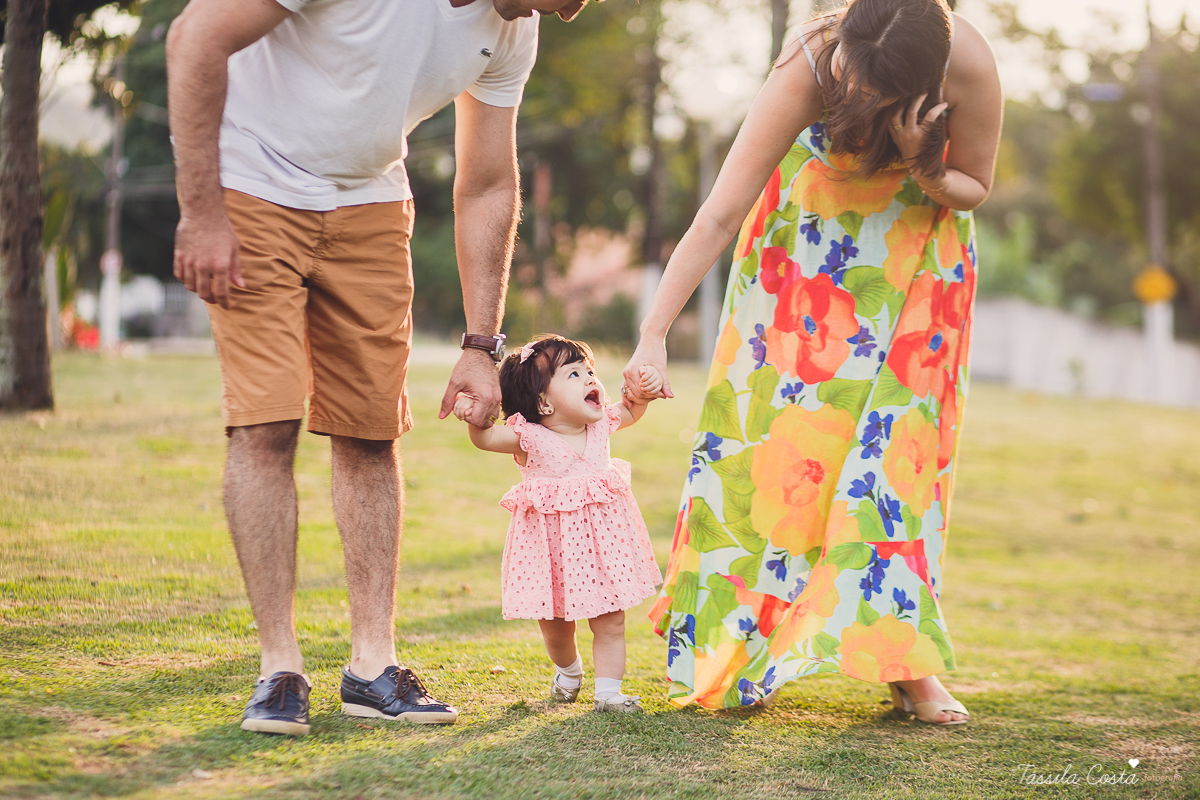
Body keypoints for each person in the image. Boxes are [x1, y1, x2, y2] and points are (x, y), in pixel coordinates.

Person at [166, 0, 595, 736]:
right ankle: (279, 668)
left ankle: (372, 667)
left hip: (369, 199)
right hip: (251, 184)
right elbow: (195, 35)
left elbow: (489, 181)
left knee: (371, 433)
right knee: (266, 424)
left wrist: (480, 344)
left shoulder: (513, 28)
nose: (568, 12)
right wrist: (202, 211)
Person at [624, 0, 1001, 724]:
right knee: (775, 454)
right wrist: (654, 331)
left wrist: (925, 160)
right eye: (855, 76)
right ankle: (744, 645)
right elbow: (718, 213)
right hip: (804, 269)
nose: (858, 92)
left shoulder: (972, 65)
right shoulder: (810, 57)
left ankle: (904, 662)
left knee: (893, 466)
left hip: (920, 268)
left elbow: (975, 185)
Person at [453, 335, 663, 712]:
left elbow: (631, 411)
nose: (590, 379)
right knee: (556, 626)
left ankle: (609, 693)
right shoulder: (528, 437)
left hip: (603, 547)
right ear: (544, 403)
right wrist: (475, 417)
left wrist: (644, 394)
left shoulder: (601, 427)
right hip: (551, 554)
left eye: (590, 371)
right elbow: (485, 438)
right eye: (574, 374)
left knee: (611, 620)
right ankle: (568, 671)